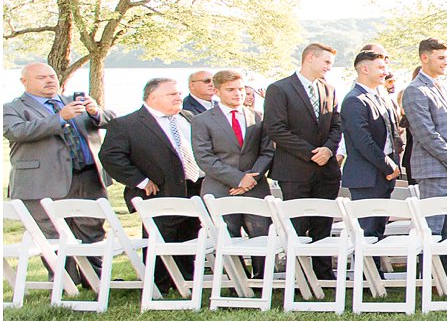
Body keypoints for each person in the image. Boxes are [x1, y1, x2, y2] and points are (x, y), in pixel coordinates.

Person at [3, 63, 114, 285]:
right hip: (42, 181)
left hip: (87, 176)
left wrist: (96, 113)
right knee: (52, 234)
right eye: (41, 77)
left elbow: (113, 121)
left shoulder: (74, 101)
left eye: (52, 76)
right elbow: (16, 131)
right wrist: (60, 118)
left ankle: (96, 280)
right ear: (25, 82)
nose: (49, 80)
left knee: (92, 229)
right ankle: (63, 282)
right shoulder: (12, 107)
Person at [99, 78, 203, 286]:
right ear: (152, 97)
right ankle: (159, 284)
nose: (178, 98)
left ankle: (186, 279)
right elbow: (111, 156)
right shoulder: (127, 124)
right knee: (161, 238)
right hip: (158, 191)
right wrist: (140, 180)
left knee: (189, 235)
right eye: (171, 94)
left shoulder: (187, 117)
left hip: (194, 187)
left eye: (179, 94)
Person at [264, 42, 343, 278]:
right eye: (326, 62)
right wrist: (311, 153)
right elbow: (276, 128)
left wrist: (328, 150)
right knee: (297, 223)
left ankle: (323, 273)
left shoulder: (329, 89)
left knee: (323, 223)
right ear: (310, 57)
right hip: (295, 169)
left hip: (326, 170)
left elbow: (337, 125)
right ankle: (297, 274)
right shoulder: (279, 89)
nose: (329, 68)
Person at [401, 38, 447, 278]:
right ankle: (426, 275)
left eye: (446, 57)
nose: (446, 62)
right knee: (431, 226)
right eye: (440, 57)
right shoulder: (415, 90)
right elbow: (425, 134)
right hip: (434, 170)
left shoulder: (443, 87)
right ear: (425, 57)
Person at [340, 49, 404, 239]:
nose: (385, 72)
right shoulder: (354, 100)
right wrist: (387, 165)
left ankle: (376, 270)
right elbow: (362, 140)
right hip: (367, 176)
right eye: (380, 68)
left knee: (378, 232)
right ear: (365, 69)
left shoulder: (380, 97)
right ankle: (366, 269)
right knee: (367, 234)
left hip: (384, 176)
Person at [190, 68, 275, 204]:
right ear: (217, 92)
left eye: (240, 89)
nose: (238, 94)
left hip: (256, 189)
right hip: (220, 190)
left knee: (263, 226)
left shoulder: (259, 117)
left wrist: (251, 179)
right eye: (230, 90)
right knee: (225, 226)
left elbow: (268, 151)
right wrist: (239, 179)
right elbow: (204, 157)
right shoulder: (201, 120)